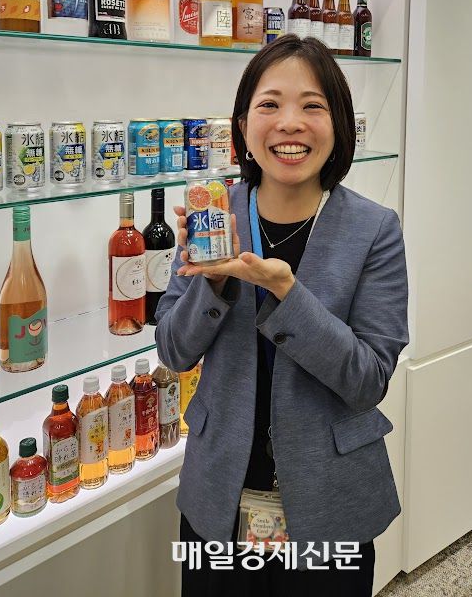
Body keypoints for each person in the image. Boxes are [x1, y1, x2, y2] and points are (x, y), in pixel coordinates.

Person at [155, 34, 409, 596]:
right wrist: (212, 281)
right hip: (219, 493)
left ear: (338, 125)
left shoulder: (374, 230)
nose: (290, 123)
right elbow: (173, 350)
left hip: (331, 497)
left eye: (312, 106)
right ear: (243, 125)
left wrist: (287, 294)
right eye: (269, 104)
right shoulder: (214, 214)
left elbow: (368, 380)